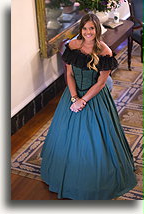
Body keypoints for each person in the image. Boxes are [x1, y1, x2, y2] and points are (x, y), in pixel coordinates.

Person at [40, 13, 137, 200]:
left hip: (94, 97)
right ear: (81, 30)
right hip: (73, 94)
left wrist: (83, 101)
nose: (88, 32)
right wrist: (74, 97)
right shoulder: (72, 46)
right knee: (63, 135)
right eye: (85, 28)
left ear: (97, 29)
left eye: (91, 28)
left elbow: (101, 83)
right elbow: (68, 74)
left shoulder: (104, 51)